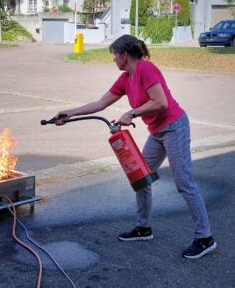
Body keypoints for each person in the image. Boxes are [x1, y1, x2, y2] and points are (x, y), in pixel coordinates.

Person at [55, 34, 217, 259]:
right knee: (140, 177)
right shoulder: (125, 78)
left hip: (174, 127)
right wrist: (69, 114)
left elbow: (161, 102)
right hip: (157, 132)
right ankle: (143, 227)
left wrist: (131, 112)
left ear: (124, 55)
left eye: (114, 55)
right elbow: (100, 103)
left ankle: (205, 238)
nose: (113, 60)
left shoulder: (145, 69)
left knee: (184, 183)